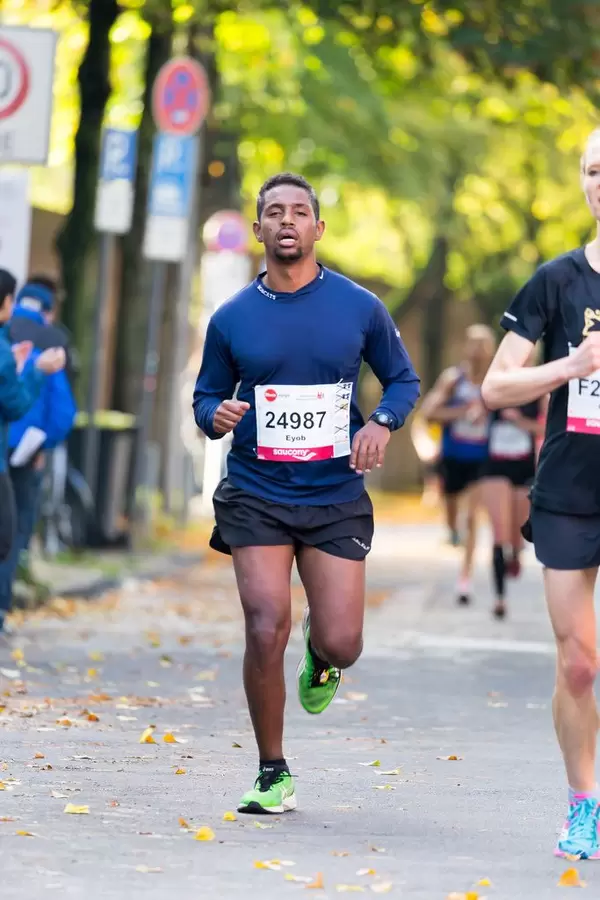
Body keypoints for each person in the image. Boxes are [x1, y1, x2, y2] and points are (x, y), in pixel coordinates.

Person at [193, 173, 419, 815]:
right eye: (273, 212)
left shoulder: (359, 307)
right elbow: (203, 397)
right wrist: (216, 416)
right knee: (265, 623)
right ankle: (272, 771)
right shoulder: (232, 317)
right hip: (257, 490)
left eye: (299, 211)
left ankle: (323, 659)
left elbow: (403, 380)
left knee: (344, 640)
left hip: (334, 492)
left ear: (318, 228)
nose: (286, 220)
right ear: (260, 228)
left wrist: (380, 423)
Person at [481, 127, 600, 860]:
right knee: (581, 663)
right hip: (570, 489)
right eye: (593, 169)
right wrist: (571, 365)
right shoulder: (556, 281)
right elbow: (496, 386)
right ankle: (583, 801)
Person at [0, 279, 77, 616]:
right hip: (27, 456)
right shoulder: (49, 343)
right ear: (49, 310)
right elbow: (62, 412)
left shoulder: (8, 333)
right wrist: (45, 445)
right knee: (10, 535)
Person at [420, 325, 496, 603]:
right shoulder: (454, 379)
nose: (478, 350)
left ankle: (465, 579)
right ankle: (452, 531)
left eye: (483, 344)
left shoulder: (495, 381)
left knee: (472, 517)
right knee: (454, 518)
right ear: (465, 347)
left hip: (482, 459)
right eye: (473, 344)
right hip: (453, 456)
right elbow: (429, 413)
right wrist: (463, 411)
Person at [479, 393, 546, 618]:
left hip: (523, 469)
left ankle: (516, 553)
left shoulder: (537, 392)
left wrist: (518, 420)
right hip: (495, 468)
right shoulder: (494, 388)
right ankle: (500, 598)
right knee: (499, 533)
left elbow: (546, 430)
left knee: (517, 533)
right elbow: (475, 417)